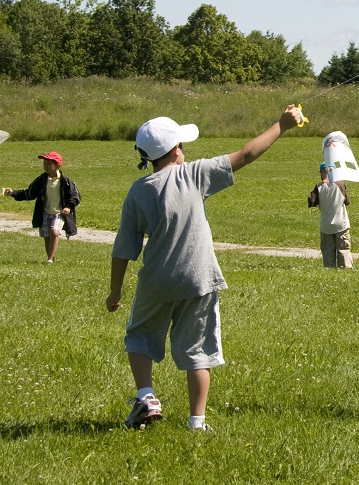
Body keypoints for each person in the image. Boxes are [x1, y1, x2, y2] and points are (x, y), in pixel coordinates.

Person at [107, 105, 305, 432]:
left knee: (139, 337)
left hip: (156, 283)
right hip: (199, 280)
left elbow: (124, 249)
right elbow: (245, 154)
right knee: (198, 351)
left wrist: (115, 291)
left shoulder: (138, 191)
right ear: (175, 150)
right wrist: (281, 126)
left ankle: (147, 396)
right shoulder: (195, 174)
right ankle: (197, 421)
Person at [3, 151, 80, 265]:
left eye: (49, 164)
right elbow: (30, 193)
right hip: (44, 213)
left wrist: (68, 207)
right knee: (47, 236)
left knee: (54, 232)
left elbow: (76, 196)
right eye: (44, 163)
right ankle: (51, 258)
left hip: (59, 213)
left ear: (58, 165)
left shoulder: (66, 181)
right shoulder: (41, 180)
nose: (46, 166)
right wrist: (13, 193)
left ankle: (49, 260)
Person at [307, 163, 352, 269]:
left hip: (326, 225)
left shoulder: (318, 187)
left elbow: (312, 202)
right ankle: (346, 269)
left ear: (321, 173)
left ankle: (329, 269)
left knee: (327, 250)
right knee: (343, 249)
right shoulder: (340, 185)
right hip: (341, 224)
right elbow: (347, 201)